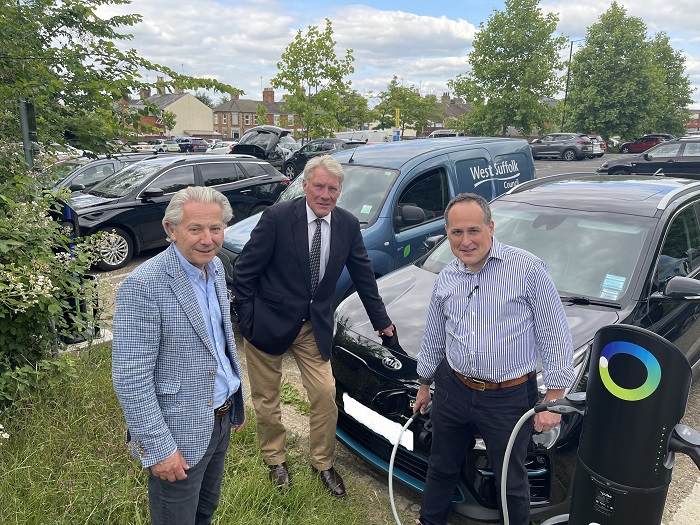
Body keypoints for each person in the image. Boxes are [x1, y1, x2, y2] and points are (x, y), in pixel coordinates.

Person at [232, 154, 394, 497]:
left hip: (312, 325)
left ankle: (322, 462)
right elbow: (245, 270)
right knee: (267, 397)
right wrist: (247, 316)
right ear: (305, 186)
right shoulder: (277, 217)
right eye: (318, 186)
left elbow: (365, 277)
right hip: (268, 322)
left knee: (324, 394)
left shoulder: (348, 225)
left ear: (340, 191)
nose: (325, 194)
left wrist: (383, 323)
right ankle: (275, 459)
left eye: (332, 188)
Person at [413, 193, 574, 525]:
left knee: (510, 482)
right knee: (441, 466)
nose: (466, 241)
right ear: (446, 233)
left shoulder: (527, 269)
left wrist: (554, 399)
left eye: (474, 230)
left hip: (508, 397)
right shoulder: (447, 277)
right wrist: (424, 383)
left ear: (491, 227)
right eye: (457, 232)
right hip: (453, 389)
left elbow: (555, 334)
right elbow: (434, 336)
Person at [112, 186, 246, 525]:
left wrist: (234, 399)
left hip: (220, 419)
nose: (208, 239)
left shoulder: (213, 268)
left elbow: (218, 342)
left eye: (215, 228)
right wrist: (157, 448)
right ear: (171, 230)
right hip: (177, 434)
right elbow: (130, 378)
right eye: (195, 229)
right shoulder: (144, 285)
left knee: (205, 511)